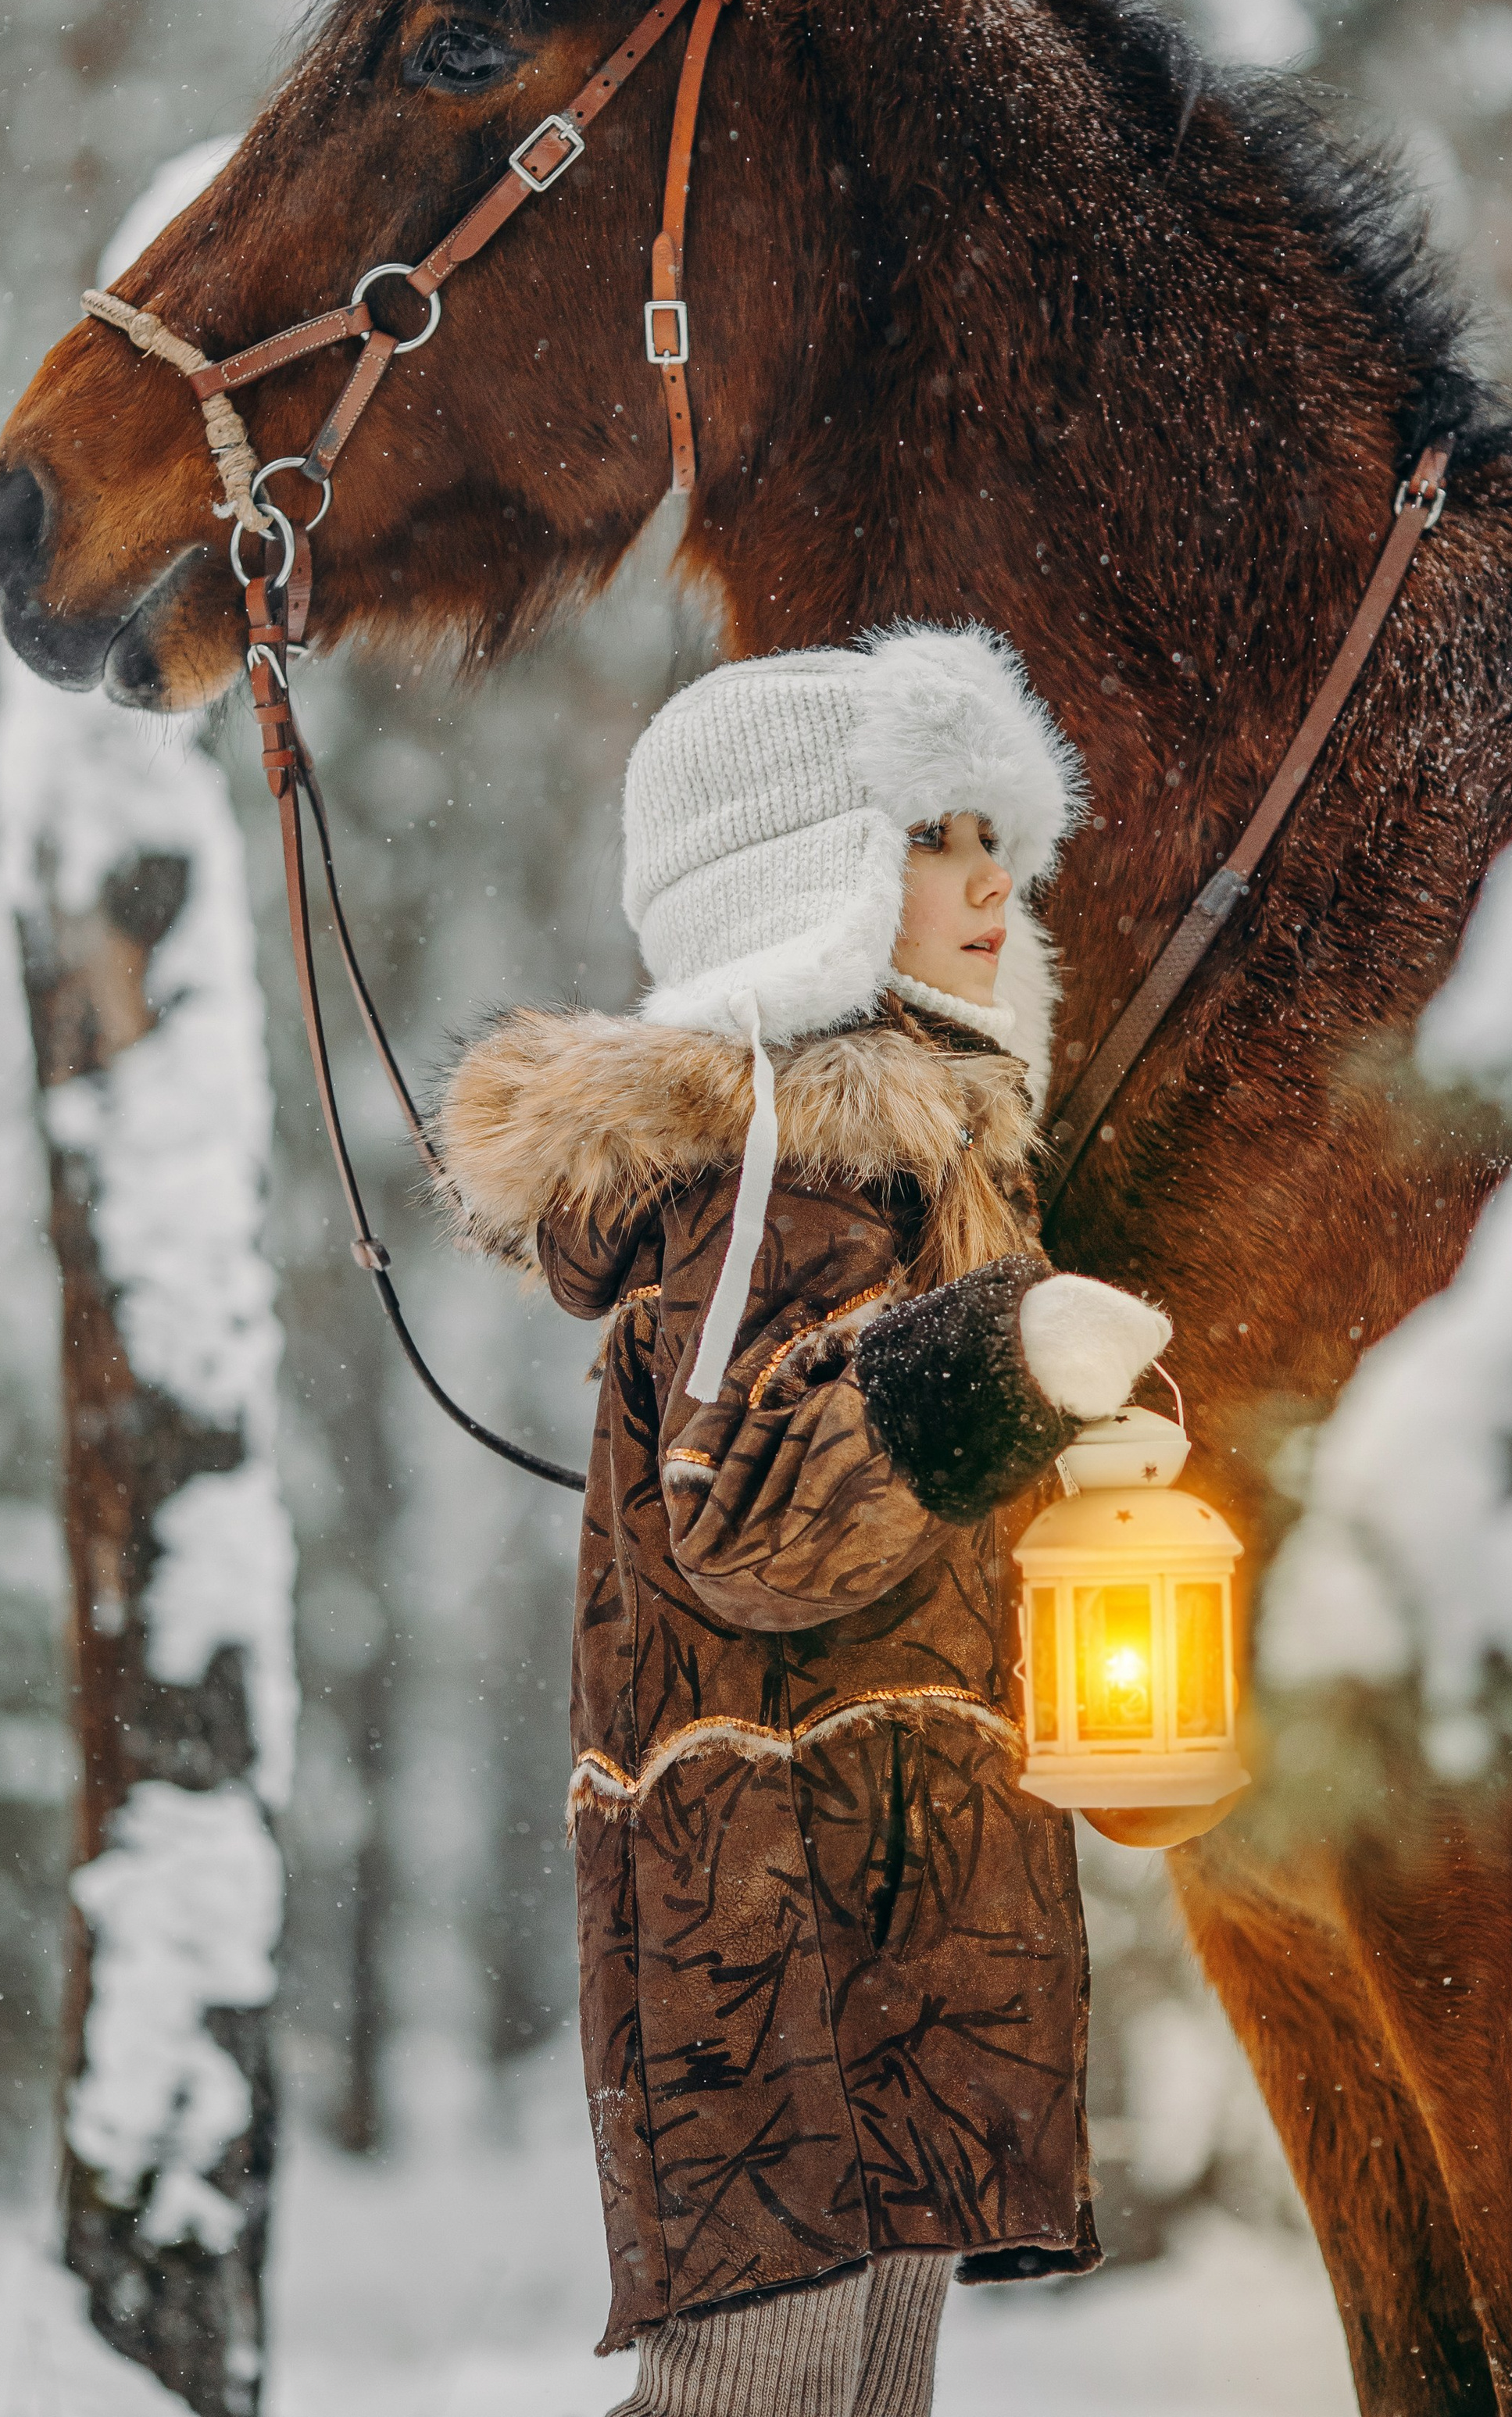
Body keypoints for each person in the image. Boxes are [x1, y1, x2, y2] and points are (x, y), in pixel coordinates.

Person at [439, 624, 1171, 2417]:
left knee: (859, 2398)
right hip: (767, 1928)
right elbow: (758, 1526)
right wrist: (994, 1366)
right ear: (808, 872)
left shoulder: (927, 1168)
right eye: (928, 835)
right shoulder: (768, 1173)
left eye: (990, 832)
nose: (988, 874)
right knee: (754, 2394)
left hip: (912, 1912)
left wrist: (1077, 1431)